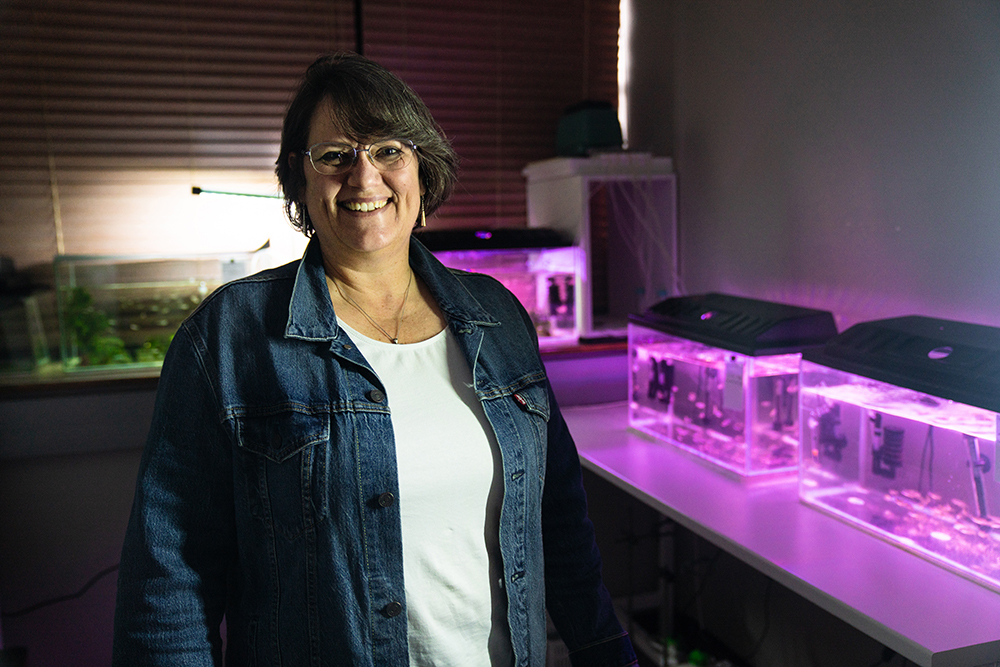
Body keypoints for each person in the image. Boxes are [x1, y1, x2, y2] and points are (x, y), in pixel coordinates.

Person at [112, 52, 637, 667]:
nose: (366, 179)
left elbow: (560, 520)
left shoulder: (499, 317)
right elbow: (170, 580)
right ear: (299, 178)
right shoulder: (230, 337)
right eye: (336, 156)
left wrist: (605, 647)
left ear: (421, 167)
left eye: (389, 150)